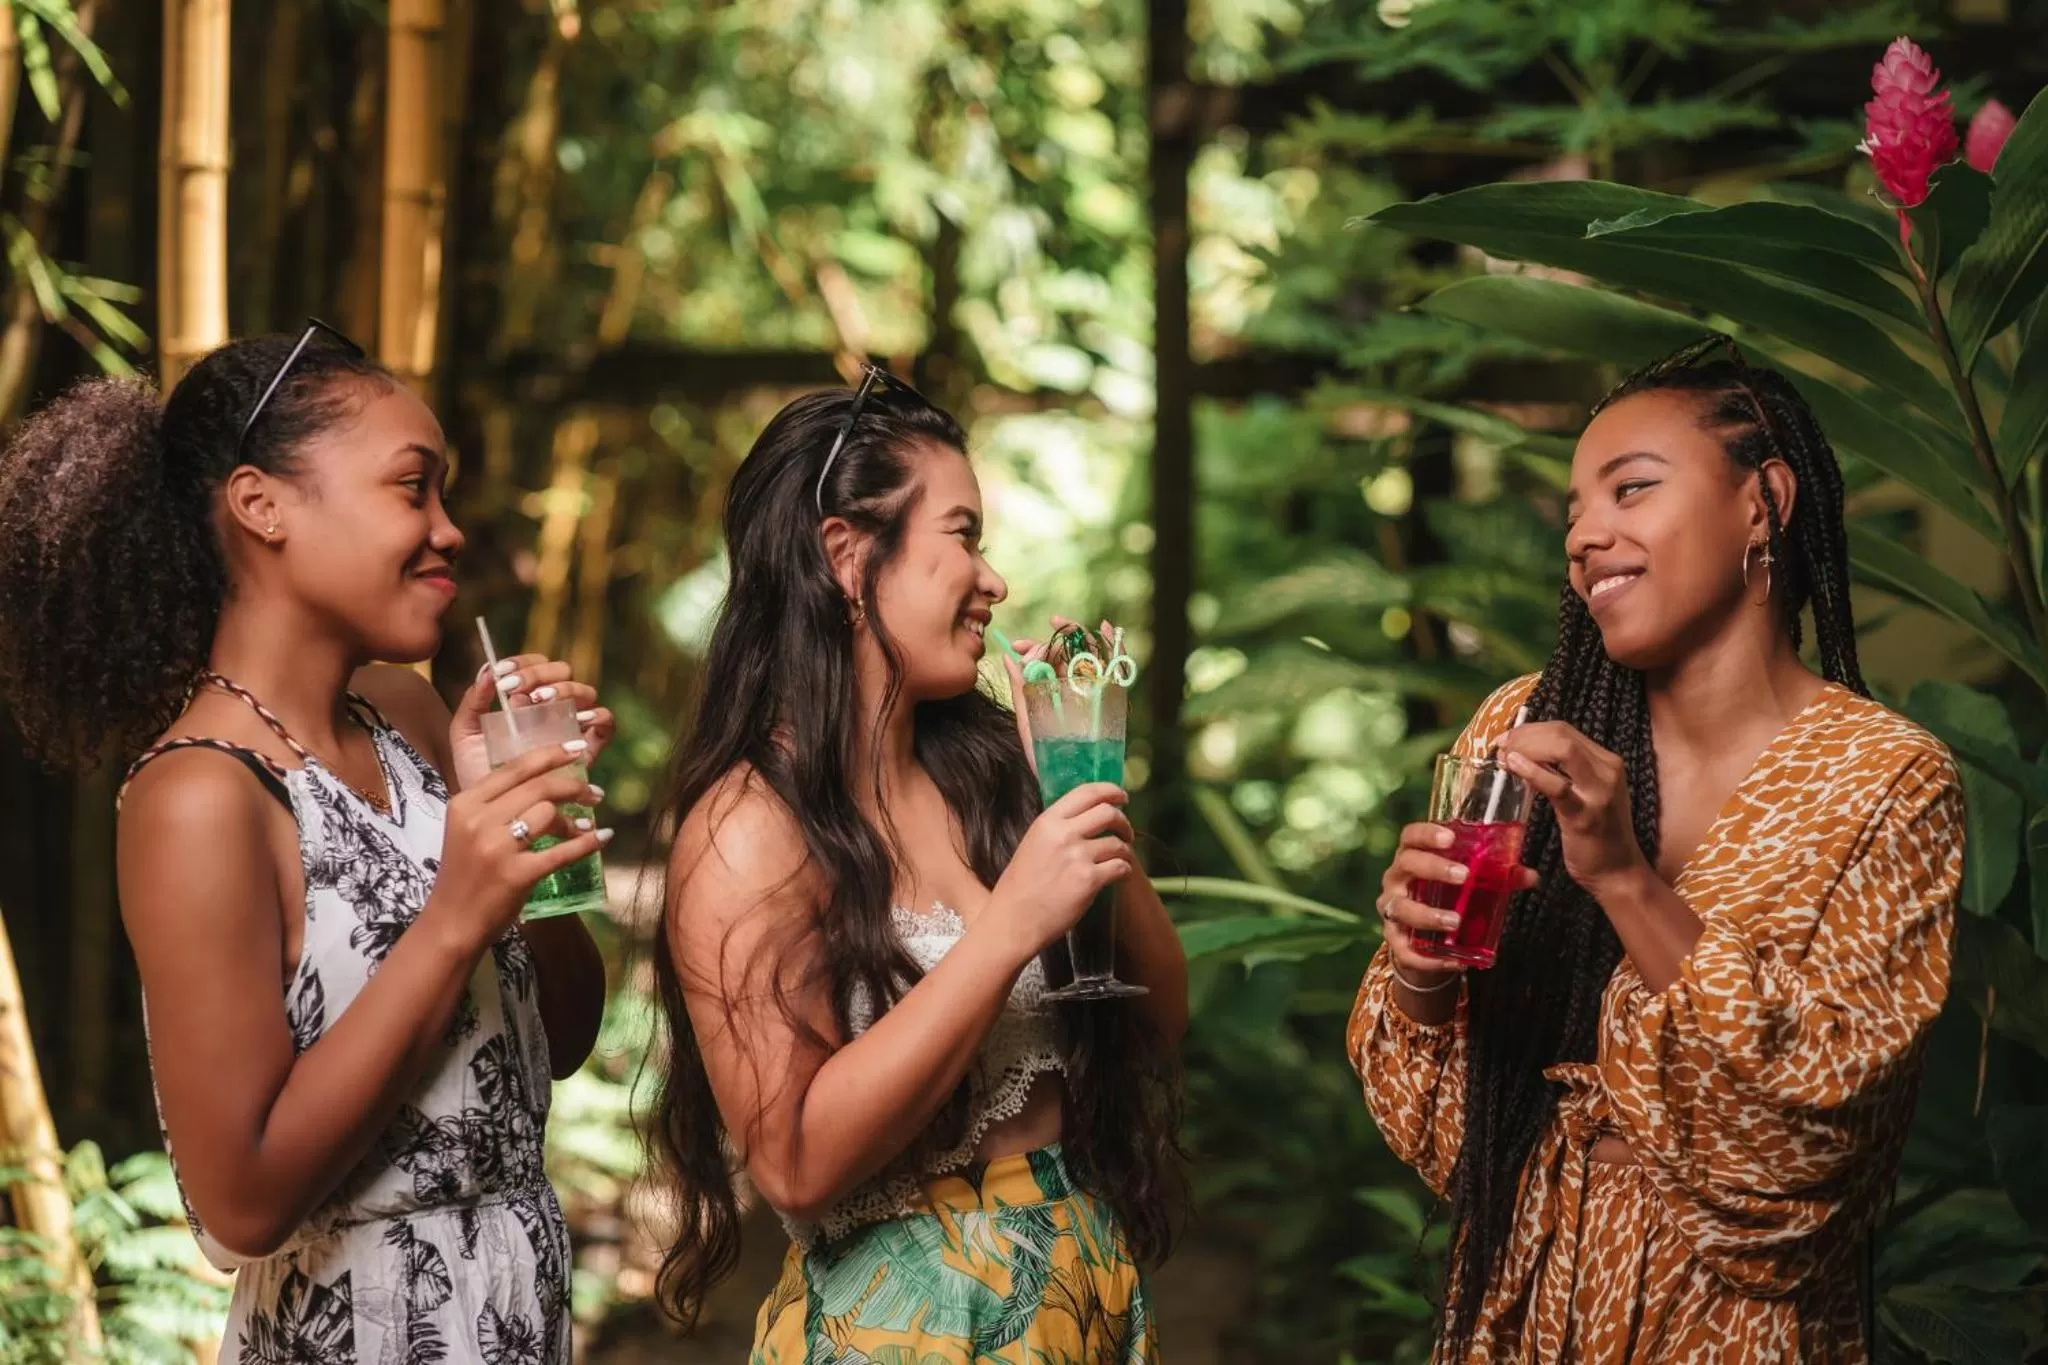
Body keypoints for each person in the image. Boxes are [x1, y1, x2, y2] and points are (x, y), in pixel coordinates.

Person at [0, 324, 614, 1362]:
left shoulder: (409, 716)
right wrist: (452, 919)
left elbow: (558, 1041)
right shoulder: (200, 793)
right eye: (411, 488)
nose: (450, 530)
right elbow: (241, 1204)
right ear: (261, 505)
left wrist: (523, 836)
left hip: (516, 1303)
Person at [1353, 337, 1964, 1364]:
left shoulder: (1882, 782)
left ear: (1762, 501)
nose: (1586, 536)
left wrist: (1622, 878)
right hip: (1517, 1310)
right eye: (1572, 516)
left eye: (1629, 491)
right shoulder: (1525, 729)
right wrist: (1416, 973)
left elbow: (1800, 1150)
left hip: (1737, 1329)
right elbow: (1449, 1139)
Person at [648, 368, 1186, 1362]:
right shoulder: (746, 829)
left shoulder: (980, 775)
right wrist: (1010, 927)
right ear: (846, 556)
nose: (995, 580)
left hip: (1079, 1297)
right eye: (963, 535)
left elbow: (1158, 1017)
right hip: (913, 1327)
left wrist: (1079, 792)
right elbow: (794, 1165)